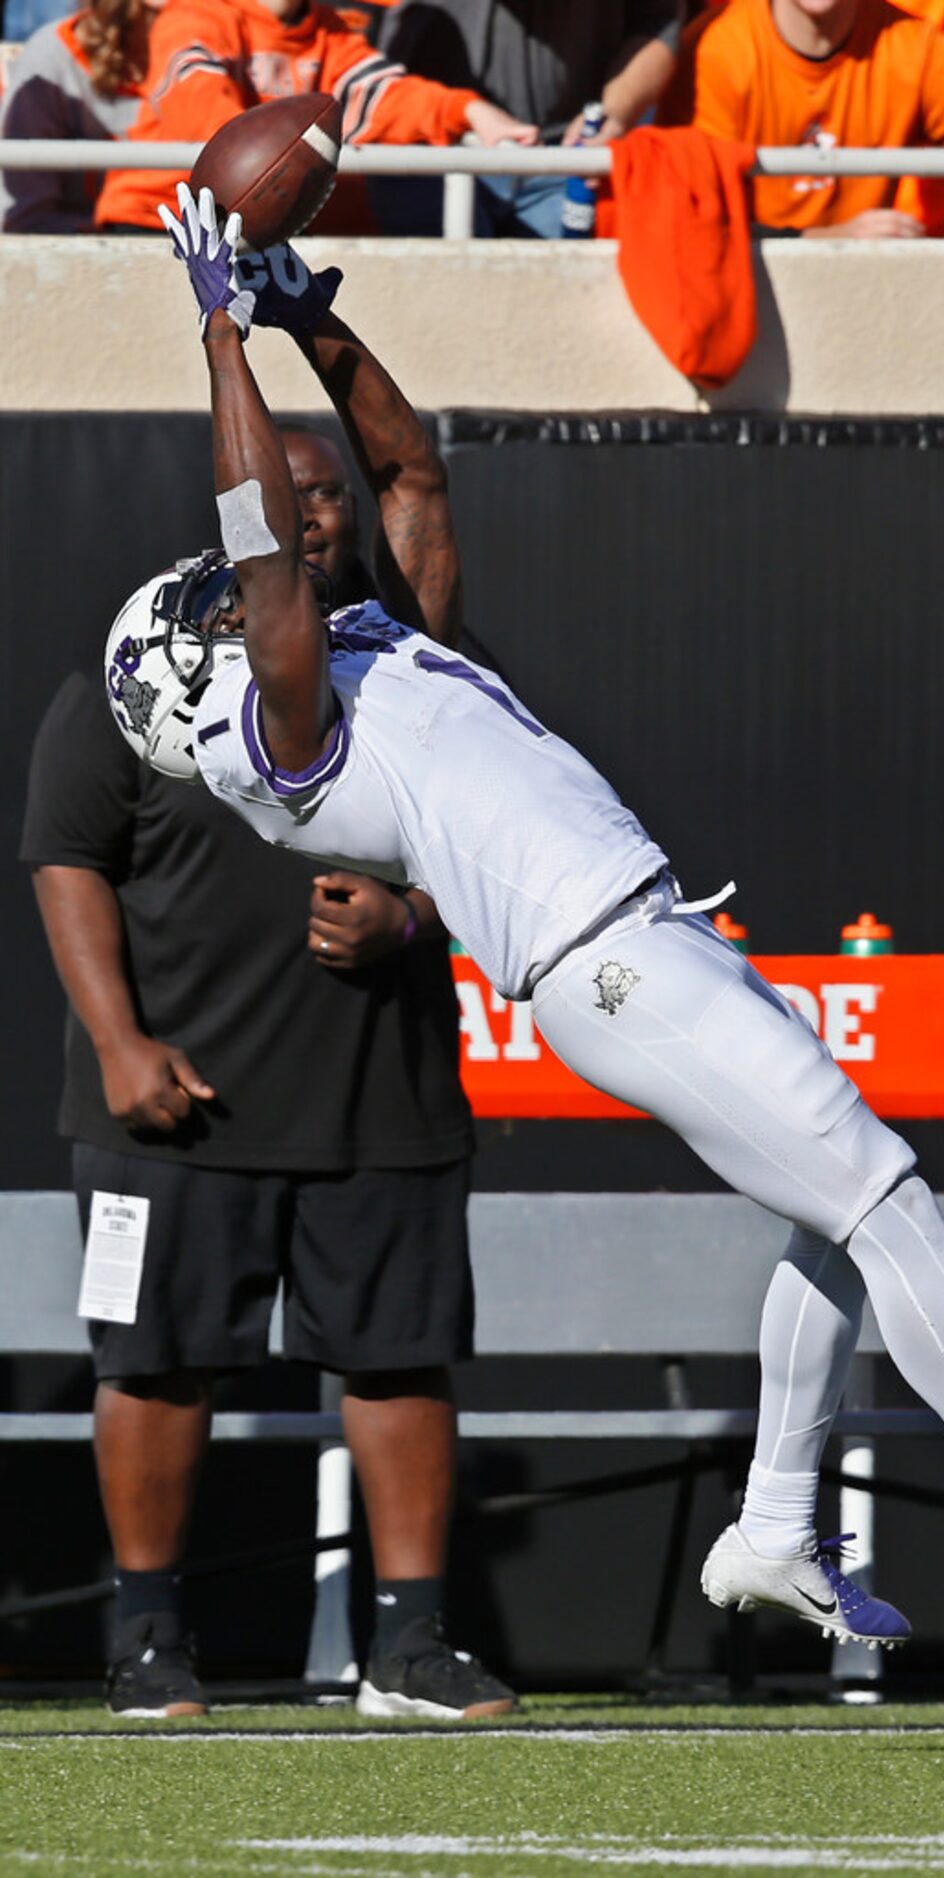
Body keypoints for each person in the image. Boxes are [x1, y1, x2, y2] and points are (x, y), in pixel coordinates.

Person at [124, 183, 944, 1652]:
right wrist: (217, 329)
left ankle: (774, 1527)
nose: (253, 600)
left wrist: (305, 311)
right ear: (189, 686)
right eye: (216, 613)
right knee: (885, 1191)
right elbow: (264, 556)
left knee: (832, 1220)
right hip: (603, 963)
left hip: (648, 932)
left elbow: (413, 483)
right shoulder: (280, 746)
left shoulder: (376, 647)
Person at [23, 241, 517, 1722]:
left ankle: (413, 1644)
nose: (318, 508)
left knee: (399, 1358)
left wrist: (411, 918)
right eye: (284, 492)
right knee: (159, 1364)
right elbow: (66, 857)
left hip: (377, 1091)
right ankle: (148, 1640)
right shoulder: (141, 671)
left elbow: (417, 477)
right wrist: (116, 1041)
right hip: (179, 1088)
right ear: (236, 512)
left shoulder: (413, 656)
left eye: (328, 493)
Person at [92, 0, 537, 233]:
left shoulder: (330, 31)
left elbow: (383, 96)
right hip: (165, 218)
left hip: (269, 223)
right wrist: (270, 173)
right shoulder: (194, 14)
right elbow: (201, 107)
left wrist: (470, 110)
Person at [663, 0, 944, 240]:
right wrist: (822, 241)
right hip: (751, 293)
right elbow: (692, 222)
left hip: (872, 294)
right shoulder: (714, 50)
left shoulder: (908, 44)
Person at [372, 0, 685, 236]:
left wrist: (614, 111)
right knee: (437, 302)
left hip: (563, 157)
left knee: (554, 305)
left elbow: (657, 23)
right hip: (426, 149)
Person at [0, 0, 158, 232]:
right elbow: (25, 216)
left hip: (178, 245)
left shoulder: (207, 58)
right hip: (73, 254)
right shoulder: (50, 60)